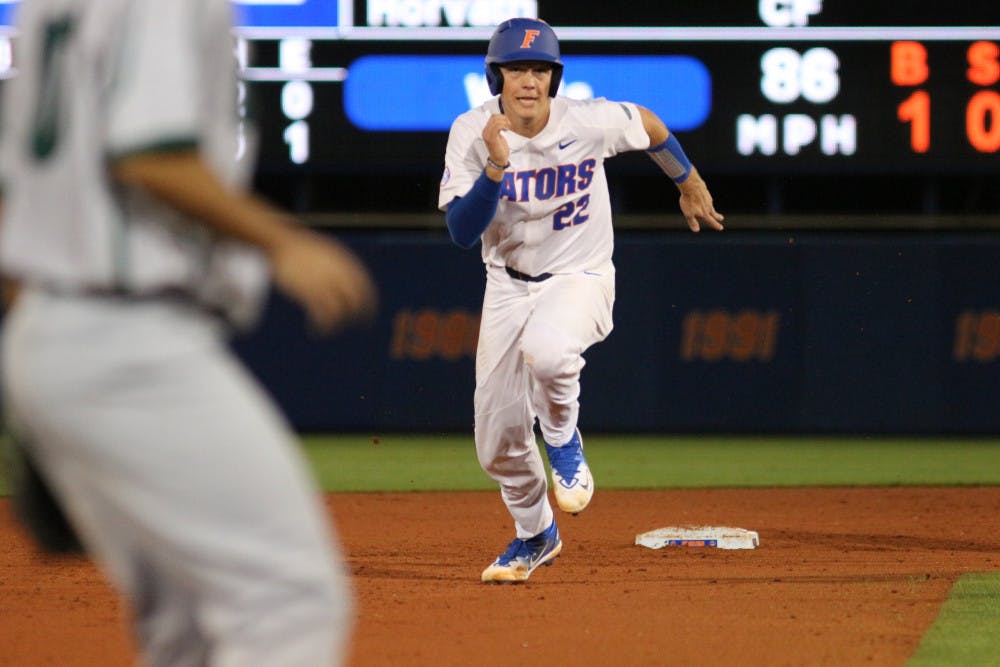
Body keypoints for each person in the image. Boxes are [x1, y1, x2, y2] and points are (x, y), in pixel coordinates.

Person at [0, 1, 376, 665]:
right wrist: (282, 242)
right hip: (129, 333)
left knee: (187, 629)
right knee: (289, 600)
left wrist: (44, 360)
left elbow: (14, 197)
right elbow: (148, 153)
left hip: (55, 325)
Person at [438, 17, 724, 584]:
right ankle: (536, 534)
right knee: (495, 444)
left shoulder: (587, 122)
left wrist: (686, 180)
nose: (528, 80)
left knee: (548, 352)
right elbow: (461, 231)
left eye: (539, 68)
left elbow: (649, 124)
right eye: (517, 68)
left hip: (581, 275)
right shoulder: (471, 132)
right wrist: (495, 166)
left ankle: (564, 439)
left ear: (554, 76)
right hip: (507, 285)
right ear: (496, 75)